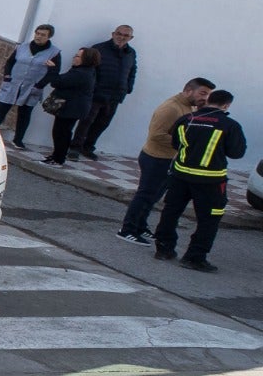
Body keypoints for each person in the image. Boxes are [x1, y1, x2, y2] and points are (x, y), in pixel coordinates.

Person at [154, 89, 245, 272]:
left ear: (208, 100)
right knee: (209, 220)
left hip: (180, 176)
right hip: (210, 180)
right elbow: (237, 152)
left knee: (171, 212)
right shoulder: (229, 125)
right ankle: (194, 257)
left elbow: (175, 144)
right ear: (226, 105)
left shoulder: (186, 119)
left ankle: (164, 249)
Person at [119, 76, 216, 244]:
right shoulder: (171, 108)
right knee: (145, 195)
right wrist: (186, 144)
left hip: (168, 159)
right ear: (188, 91)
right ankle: (127, 229)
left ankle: (140, 226)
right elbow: (156, 135)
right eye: (202, 93)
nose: (205, 98)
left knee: (154, 196)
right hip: (156, 158)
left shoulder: (188, 107)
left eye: (208, 95)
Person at [73, 25, 138, 159]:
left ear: (131, 38)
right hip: (96, 94)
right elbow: (88, 67)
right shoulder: (99, 48)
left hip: (115, 96)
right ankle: (75, 147)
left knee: (102, 123)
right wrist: (92, 87)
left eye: (126, 35)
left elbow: (132, 71)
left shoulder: (131, 53)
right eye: (119, 34)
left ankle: (88, 147)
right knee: (86, 122)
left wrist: (128, 87)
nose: (121, 37)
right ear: (113, 34)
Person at [0, 26, 61, 151]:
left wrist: (39, 85)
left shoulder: (54, 53)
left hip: (32, 87)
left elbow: (54, 72)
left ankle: (18, 140)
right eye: (37, 33)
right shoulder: (22, 47)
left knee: (24, 114)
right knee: (0, 110)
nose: (39, 37)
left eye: (43, 35)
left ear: (49, 37)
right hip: (13, 84)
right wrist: (7, 76)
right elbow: (10, 62)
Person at [38, 47, 99, 166]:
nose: (74, 58)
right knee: (60, 132)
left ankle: (58, 159)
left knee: (62, 133)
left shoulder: (81, 73)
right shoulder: (82, 70)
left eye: (78, 56)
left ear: (85, 59)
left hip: (72, 108)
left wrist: (53, 68)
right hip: (71, 107)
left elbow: (57, 82)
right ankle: (57, 155)